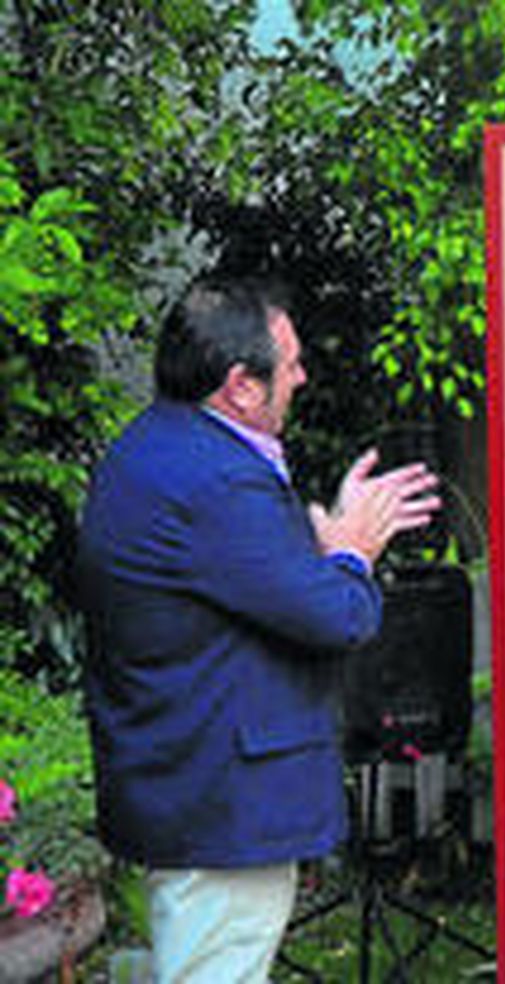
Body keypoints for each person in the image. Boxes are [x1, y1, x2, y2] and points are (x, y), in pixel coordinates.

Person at [76, 278, 441, 982]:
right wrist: (352, 552)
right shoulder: (215, 481)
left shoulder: (158, 448)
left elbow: (254, 590)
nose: (303, 377)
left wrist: (330, 553)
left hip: (189, 787)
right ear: (242, 386)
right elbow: (338, 615)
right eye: (292, 362)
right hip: (221, 803)